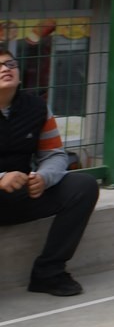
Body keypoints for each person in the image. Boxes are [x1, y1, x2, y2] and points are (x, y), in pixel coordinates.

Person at [0, 47, 100, 296]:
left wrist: (44, 178)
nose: (6, 69)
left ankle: (49, 273)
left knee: (83, 186)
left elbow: (54, 154)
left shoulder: (37, 107)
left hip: (23, 194)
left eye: (10, 64)